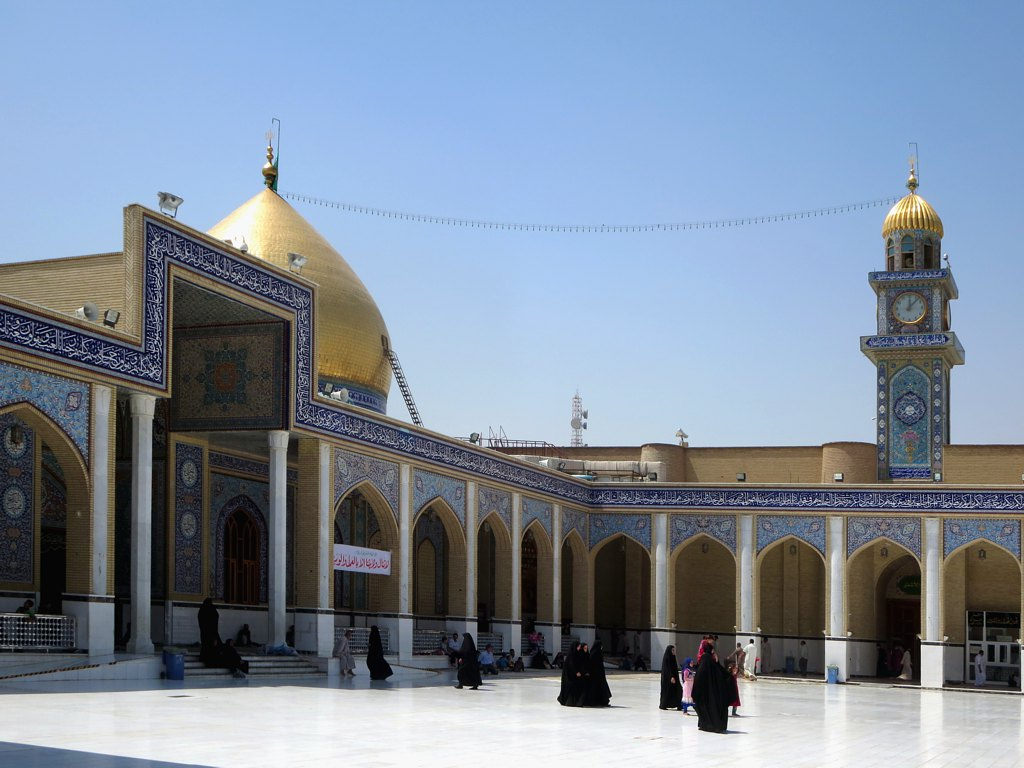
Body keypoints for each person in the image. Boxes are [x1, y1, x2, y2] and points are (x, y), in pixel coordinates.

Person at [691, 644, 732, 733]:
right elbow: (721, 674)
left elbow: (699, 676)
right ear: (711, 650)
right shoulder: (710, 660)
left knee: (704, 707)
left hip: (704, 692)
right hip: (713, 692)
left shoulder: (704, 659)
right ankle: (715, 726)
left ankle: (705, 725)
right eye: (713, 650)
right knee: (713, 708)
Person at [585, 640, 611, 706]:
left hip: (597, 675)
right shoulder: (595, 654)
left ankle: (600, 701)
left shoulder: (594, 653)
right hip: (596, 675)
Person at [557, 642, 583, 706]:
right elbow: (571, 665)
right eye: (578, 646)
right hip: (569, 675)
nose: (579, 648)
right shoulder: (571, 655)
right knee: (569, 687)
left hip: (573, 675)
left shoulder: (576, 654)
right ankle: (566, 701)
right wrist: (576, 672)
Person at [658, 645, 682, 710]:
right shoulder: (667, 658)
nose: (674, 652)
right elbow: (667, 669)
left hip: (674, 678)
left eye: (674, 650)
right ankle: (663, 705)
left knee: (678, 690)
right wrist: (671, 677)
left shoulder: (673, 657)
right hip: (668, 678)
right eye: (673, 650)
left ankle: (678, 704)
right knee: (667, 691)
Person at [197, 598, 220, 664]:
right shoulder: (211, 609)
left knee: (205, 646)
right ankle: (210, 661)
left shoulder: (202, 609)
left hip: (204, 632)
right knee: (212, 647)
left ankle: (205, 659)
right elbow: (215, 622)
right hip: (212, 632)